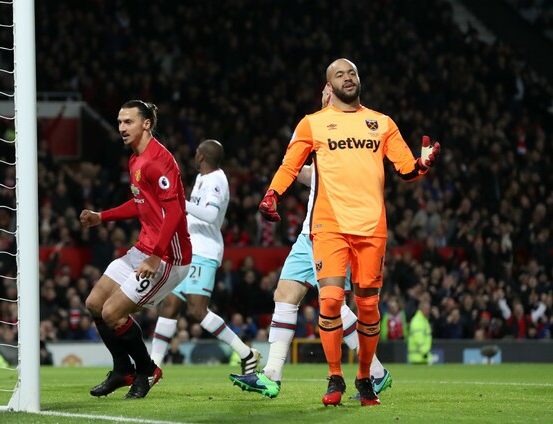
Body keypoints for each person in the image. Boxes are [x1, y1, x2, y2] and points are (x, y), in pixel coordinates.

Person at [255, 58, 440, 406]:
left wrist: (422, 164)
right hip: (329, 226)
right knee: (330, 301)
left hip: (371, 227)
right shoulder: (312, 123)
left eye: (352, 72)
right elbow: (290, 165)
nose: (347, 77)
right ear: (329, 85)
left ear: (359, 79)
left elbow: (406, 169)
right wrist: (272, 194)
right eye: (339, 74)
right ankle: (334, 377)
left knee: (368, 308)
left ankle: (366, 377)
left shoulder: (382, 123)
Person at [229, 92, 392, 398]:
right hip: (309, 233)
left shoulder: (353, 134)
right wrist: (288, 171)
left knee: (334, 306)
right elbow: (309, 175)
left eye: (331, 89)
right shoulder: (317, 132)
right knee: (285, 294)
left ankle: (375, 372)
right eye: (325, 90)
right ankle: (272, 375)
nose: (327, 94)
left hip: (335, 231)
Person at [79, 100, 192, 399]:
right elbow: (141, 203)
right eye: (119, 122)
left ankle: (147, 370)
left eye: (128, 121)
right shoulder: (135, 160)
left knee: (113, 312)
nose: (121, 127)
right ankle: (122, 370)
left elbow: (174, 212)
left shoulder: (159, 160)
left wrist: (155, 257)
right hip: (144, 249)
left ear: (146, 123)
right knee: (95, 303)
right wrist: (102, 217)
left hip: (169, 257)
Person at [150, 139, 261, 373]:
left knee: (197, 310)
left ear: (201, 156)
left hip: (204, 251)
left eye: (196, 152)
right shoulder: (202, 178)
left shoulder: (216, 180)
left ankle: (246, 353)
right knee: (169, 305)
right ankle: (153, 367)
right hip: (188, 250)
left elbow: (210, 215)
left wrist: (181, 203)